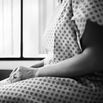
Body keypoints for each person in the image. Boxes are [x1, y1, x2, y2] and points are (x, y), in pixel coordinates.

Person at [0, 0, 103, 103]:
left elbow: (95, 57)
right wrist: (29, 69)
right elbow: (55, 57)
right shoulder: (61, 4)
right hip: (59, 76)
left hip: (84, 81)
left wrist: (35, 73)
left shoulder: (83, 1)